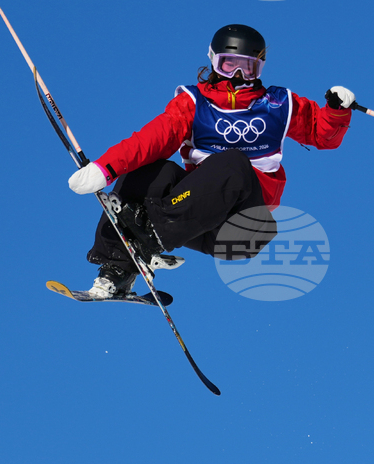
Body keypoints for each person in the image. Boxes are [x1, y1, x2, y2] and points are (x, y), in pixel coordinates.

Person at [67, 24, 356, 298]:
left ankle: (152, 236)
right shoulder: (194, 103)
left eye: (249, 66)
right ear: (214, 61)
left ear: (260, 66)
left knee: (232, 163)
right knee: (147, 171)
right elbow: (153, 138)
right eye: (230, 64)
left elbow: (323, 135)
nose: (239, 75)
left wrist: (336, 111)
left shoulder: (279, 104)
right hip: (196, 221)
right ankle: (115, 272)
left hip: (243, 228)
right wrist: (106, 168)